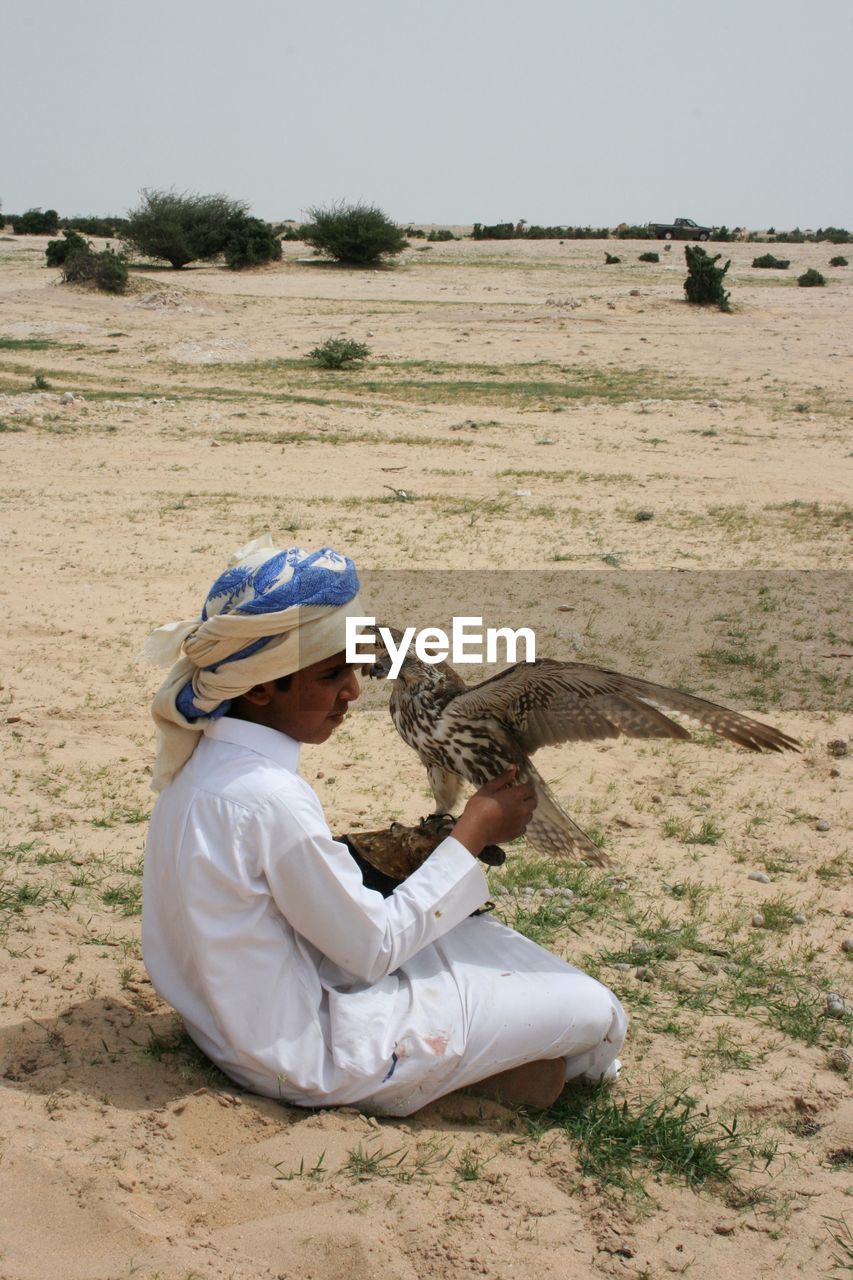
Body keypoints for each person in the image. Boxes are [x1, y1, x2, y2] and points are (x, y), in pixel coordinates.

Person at [141, 535, 627, 1116]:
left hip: (222, 1022)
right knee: (600, 1015)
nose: (353, 689)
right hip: (307, 1053)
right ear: (265, 687)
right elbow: (371, 950)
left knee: (478, 940)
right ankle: (444, 1077)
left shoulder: (200, 759)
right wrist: (471, 833)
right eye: (331, 675)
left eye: (357, 666)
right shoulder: (270, 797)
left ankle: (476, 1065)